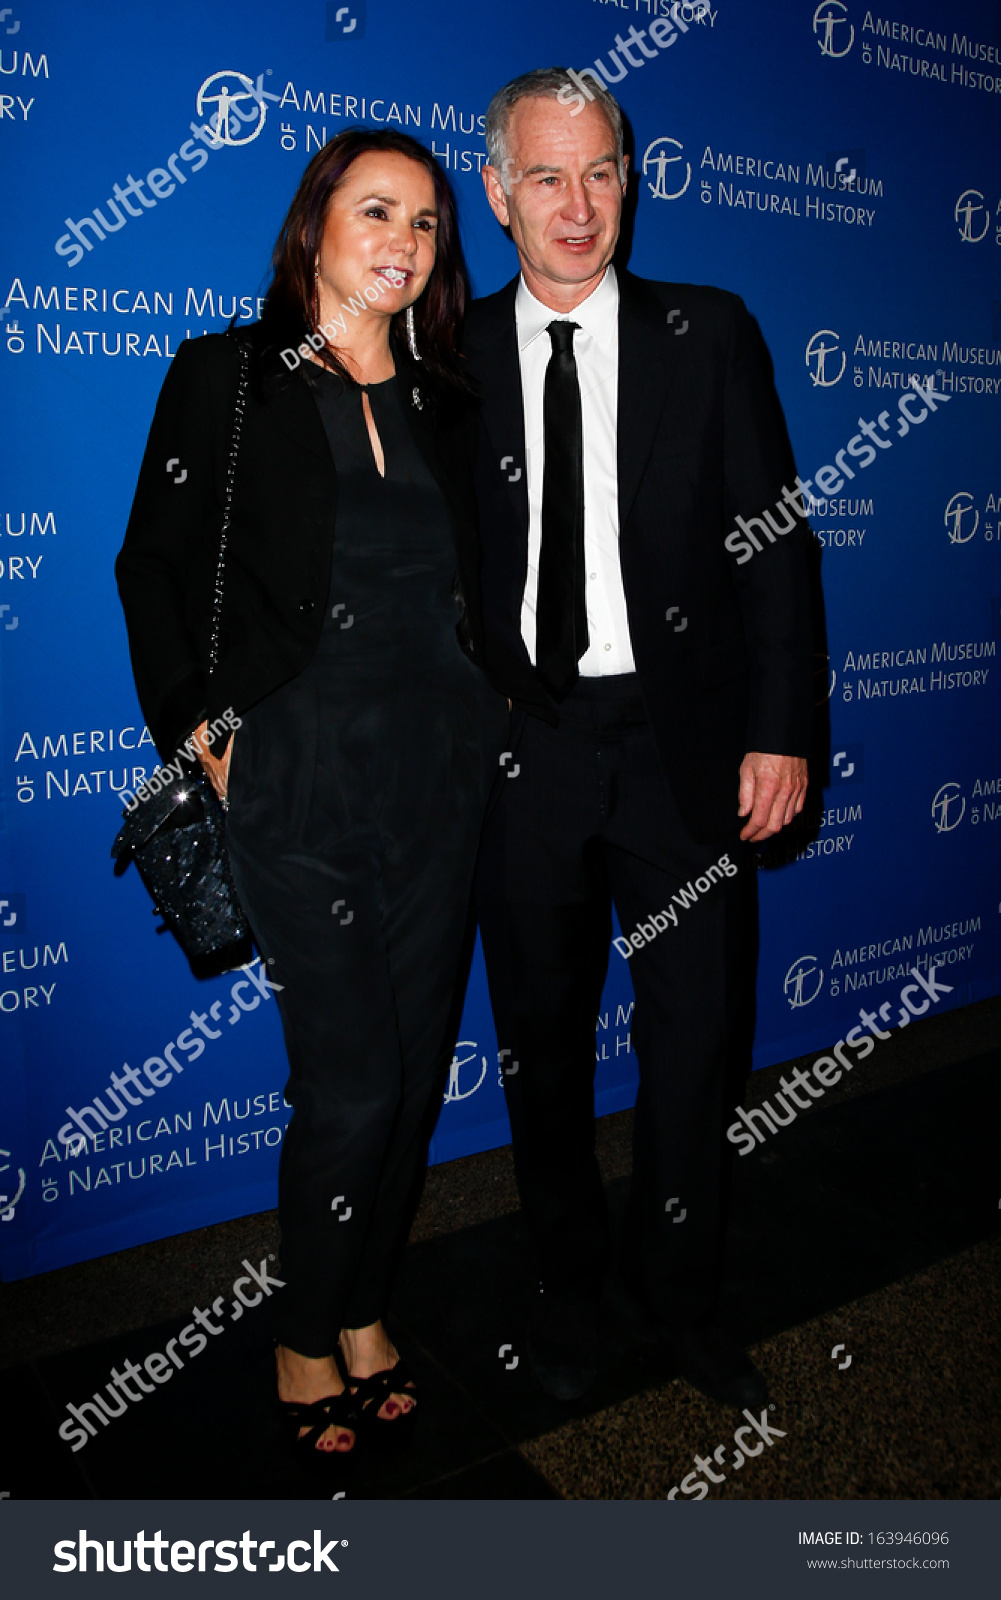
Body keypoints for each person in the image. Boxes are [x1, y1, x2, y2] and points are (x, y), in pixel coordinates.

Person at [115, 129, 508, 1466]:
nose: (403, 241)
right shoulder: (230, 378)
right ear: (316, 227)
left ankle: (363, 1306)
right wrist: (201, 729)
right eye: (375, 211)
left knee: (405, 1087)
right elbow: (148, 567)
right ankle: (302, 1329)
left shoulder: (455, 400)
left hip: (441, 784)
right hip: (297, 780)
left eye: (427, 223)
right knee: (348, 1086)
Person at [467, 70, 814, 1406]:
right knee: (539, 1044)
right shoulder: (449, 358)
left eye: (600, 170)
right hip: (525, 752)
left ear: (631, 177)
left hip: (684, 750)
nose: (577, 203)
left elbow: (776, 550)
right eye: (544, 176)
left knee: (693, 1039)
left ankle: (678, 1301)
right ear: (497, 194)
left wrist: (780, 730)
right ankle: (569, 1291)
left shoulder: (708, 332)